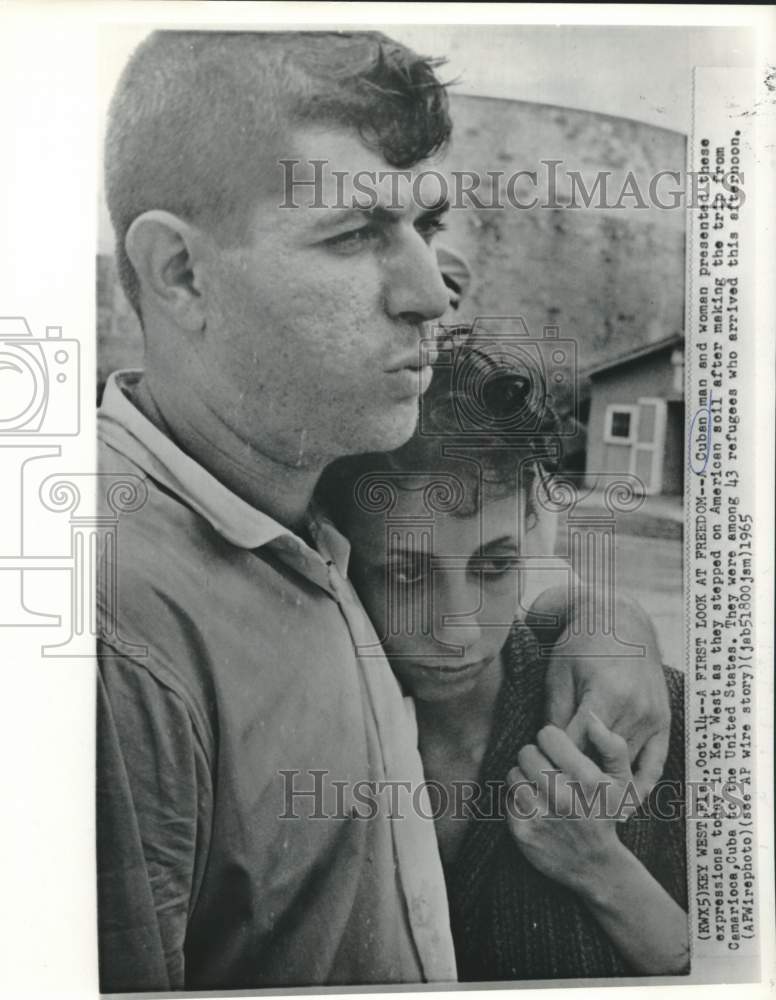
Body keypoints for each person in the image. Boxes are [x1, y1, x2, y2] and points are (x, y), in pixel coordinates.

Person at [97, 30, 672, 992]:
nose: (425, 297)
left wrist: (610, 619)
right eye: (354, 234)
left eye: (424, 229)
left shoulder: (299, 510)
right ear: (181, 274)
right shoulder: (119, 631)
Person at [318, 333, 688, 981]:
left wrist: (602, 869)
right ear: (340, 559)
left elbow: (740, 970)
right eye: (407, 575)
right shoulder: (303, 737)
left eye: (495, 565)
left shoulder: (644, 713)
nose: (459, 630)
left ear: (530, 537)